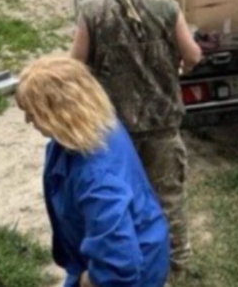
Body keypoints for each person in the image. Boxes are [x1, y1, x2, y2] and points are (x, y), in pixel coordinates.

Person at [70, 0, 203, 275]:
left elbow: (75, 66)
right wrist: (178, 65)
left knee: (118, 199)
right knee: (168, 196)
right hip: (161, 124)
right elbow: (193, 55)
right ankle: (177, 263)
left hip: (114, 130)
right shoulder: (167, 6)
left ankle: (128, 263)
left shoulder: (92, 10)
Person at [18, 56, 171, 287]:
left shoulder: (96, 178)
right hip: (141, 240)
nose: (28, 119)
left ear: (62, 112)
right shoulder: (96, 125)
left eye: (33, 112)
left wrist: (86, 281)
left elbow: (119, 267)